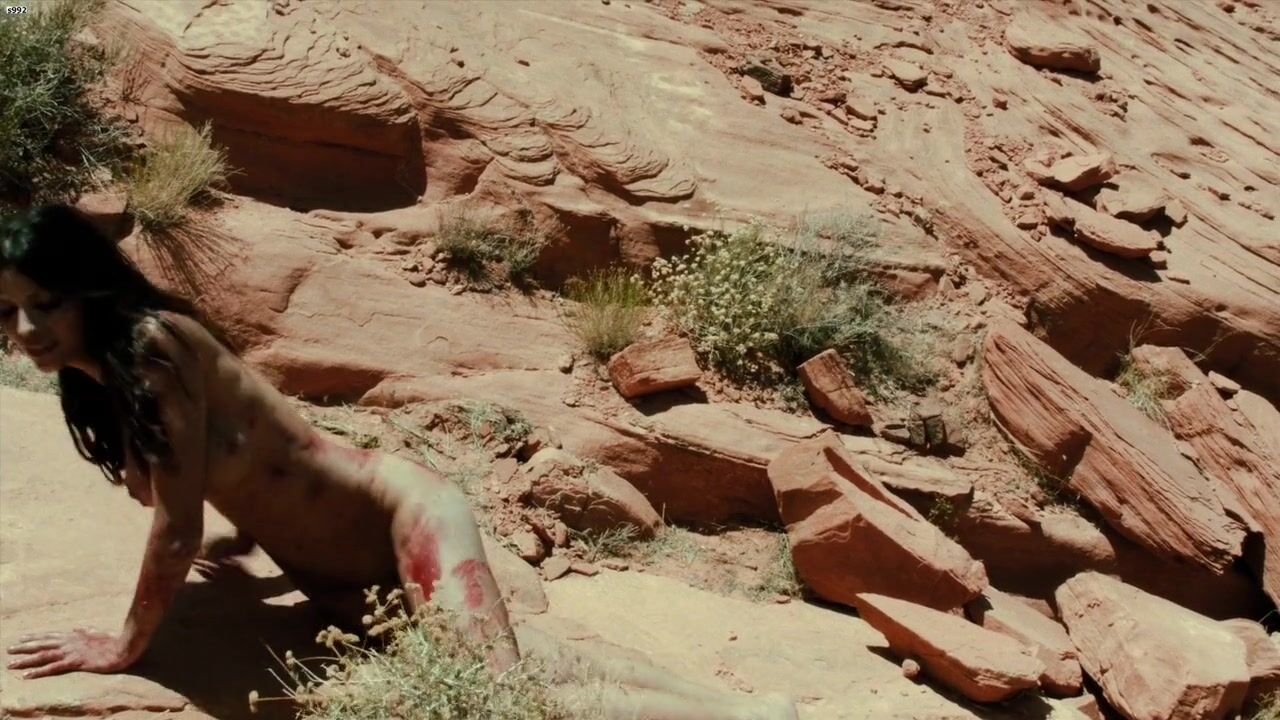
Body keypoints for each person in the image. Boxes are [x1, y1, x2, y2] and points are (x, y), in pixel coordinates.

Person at [1, 205, 797, 720]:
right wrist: (245, 537)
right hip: (343, 576)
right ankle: (750, 713)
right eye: (8, 311)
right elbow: (219, 463)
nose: (27, 330)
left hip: (400, 519)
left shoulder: (149, 347)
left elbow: (176, 528)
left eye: (46, 303)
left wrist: (123, 645)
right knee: (533, 666)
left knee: (492, 697)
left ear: (86, 289)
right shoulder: (98, 375)